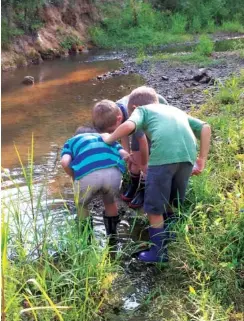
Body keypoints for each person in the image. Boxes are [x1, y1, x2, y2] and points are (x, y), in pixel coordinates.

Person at [100, 86, 211, 263]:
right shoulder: (173, 109)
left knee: (153, 208)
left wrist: (109, 138)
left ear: (134, 108)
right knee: (173, 199)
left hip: (163, 158)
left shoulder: (141, 111)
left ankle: (158, 253)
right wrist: (202, 159)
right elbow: (205, 127)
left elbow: (129, 125)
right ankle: (171, 234)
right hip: (187, 157)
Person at [92, 92, 168, 209]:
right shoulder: (112, 111)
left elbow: (142, 141)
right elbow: (123, 135)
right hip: (134, 120)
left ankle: (143, 188)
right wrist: (127, 154)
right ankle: (133, 184)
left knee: (144, 154)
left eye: (113, 131)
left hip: (156, 117)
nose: (113, 134)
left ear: (119, 119)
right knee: (134, 156)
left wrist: (144, 163)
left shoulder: (135, 116)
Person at [60, 126, 130, 237]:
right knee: (110, 202)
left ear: (75, 135)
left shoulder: (72, 141)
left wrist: (74, 175)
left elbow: (64, 162)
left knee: (81, 205)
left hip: (88, 176)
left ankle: (86, 239)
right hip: (113, 173)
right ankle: (112, 237)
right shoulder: (106, 137)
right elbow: (125, 155)